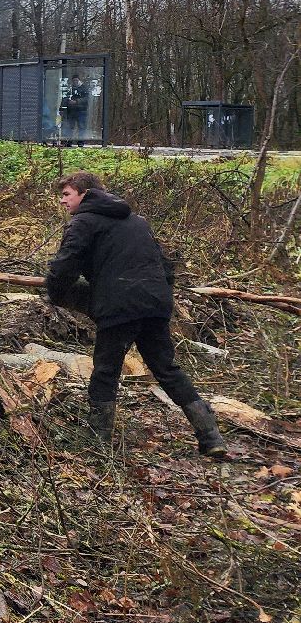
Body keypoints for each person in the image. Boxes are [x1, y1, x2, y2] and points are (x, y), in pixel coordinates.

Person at [45, 171, 225, 456]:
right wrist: (159, 296)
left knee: (106, 371)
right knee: (166, 369)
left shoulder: (83, 222)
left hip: (119, 307)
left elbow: (66, 263)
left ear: (84, 193)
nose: (62, 201)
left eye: (67, 194)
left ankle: (98, 444)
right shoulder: (136, 221)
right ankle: (211, 436)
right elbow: (165, 266)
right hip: (155, 304)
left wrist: (54, 292)